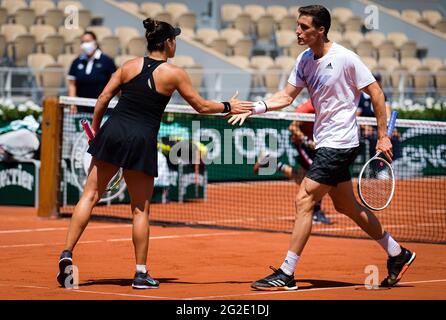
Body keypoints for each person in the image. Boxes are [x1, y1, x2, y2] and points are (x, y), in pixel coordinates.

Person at [229, 5, 415, 290]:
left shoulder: (345, 58)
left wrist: (382, 136)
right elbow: (286, 96)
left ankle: (286, 273)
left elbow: (376, 92)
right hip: (325, 141)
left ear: (321, 30)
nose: (298, 31)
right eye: (298, 26)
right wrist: (254, 107)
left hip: (340, 142)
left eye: (304, 27)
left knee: (304, 200)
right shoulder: (304, 60)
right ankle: (397, 253)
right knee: (346, 205)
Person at [56, 18, 252, 290]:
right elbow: (202, 106)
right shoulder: (174, 73)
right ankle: (140, 274)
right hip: (140, 139)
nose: (176, 44)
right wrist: (230, 105)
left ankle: (67, 252)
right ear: (169, 42)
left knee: (89, 195)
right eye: (176, 40)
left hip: (112, 132)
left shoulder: (128, 66)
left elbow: (102, 100)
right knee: (140, 210)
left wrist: (98, 131)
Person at [253, 99, 332, 224]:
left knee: (301, 179)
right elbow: (292, 127)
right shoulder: (307, 108)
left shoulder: (326, 104)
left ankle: (271, 162)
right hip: (304, 145)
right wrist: (307, 141)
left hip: (317, 146)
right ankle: (316, 212)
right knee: (318, 176)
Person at [67, 31, 117, 113]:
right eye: (83, 42)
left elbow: (114, 83)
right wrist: (72, 103)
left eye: (88, 41)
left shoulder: (107, 61)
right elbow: (72, 84)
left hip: (103, 107)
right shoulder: (76, 62)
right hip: (81, 107)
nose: (85, 44)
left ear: (95, 42)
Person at [357, 72, 402, 160]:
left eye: (378, 80)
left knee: (394, 136)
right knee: (374, 138)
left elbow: (388, 115)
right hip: (367, 131)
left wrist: (393, 129)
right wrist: (365, 127)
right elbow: (356, 118)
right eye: (374, 80)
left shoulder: (383, 96)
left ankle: (396, 161)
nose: (376, 82)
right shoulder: (362, 97)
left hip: (380, 129)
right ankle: (376, 165)